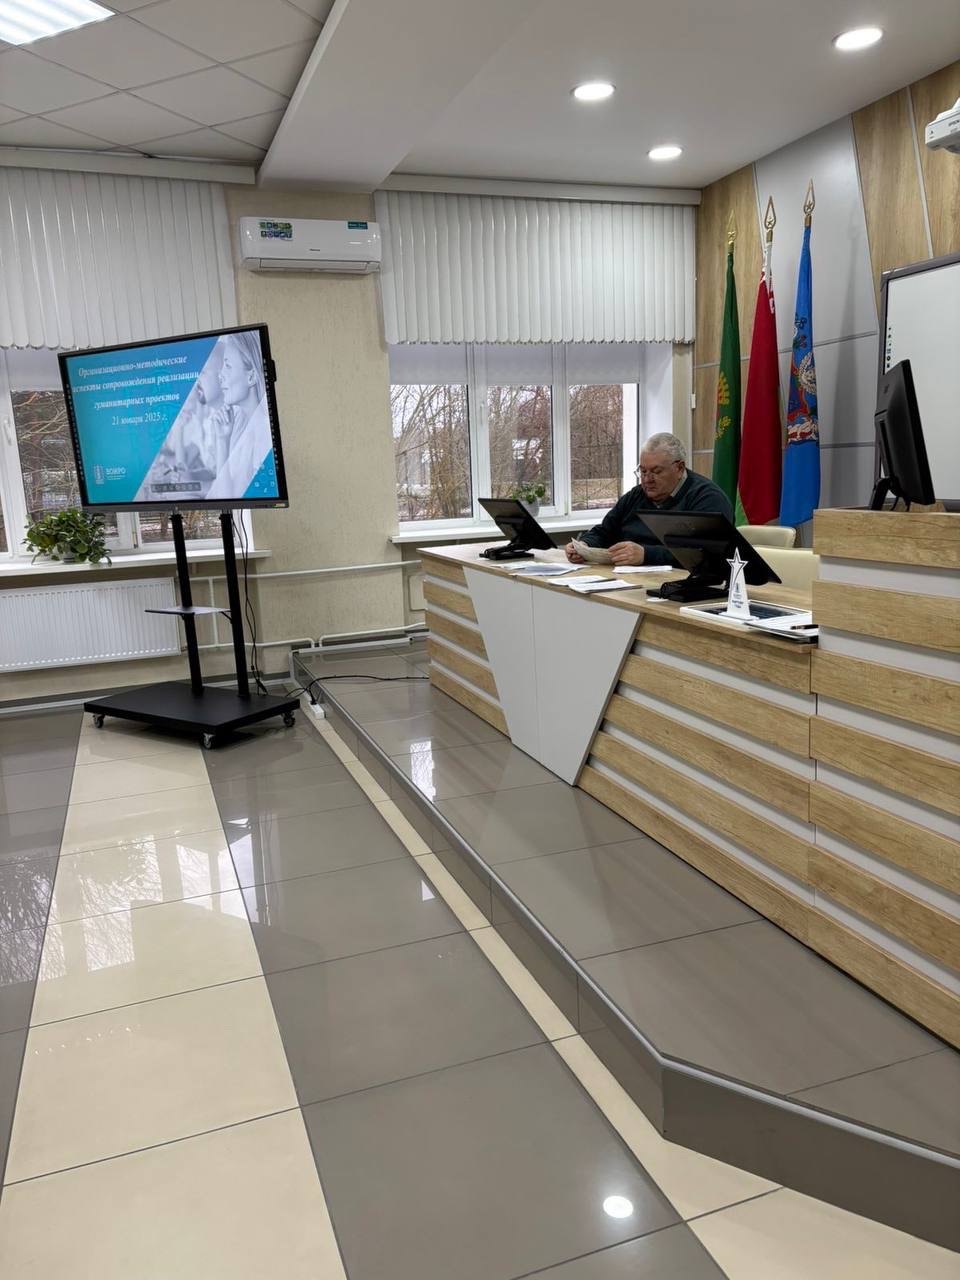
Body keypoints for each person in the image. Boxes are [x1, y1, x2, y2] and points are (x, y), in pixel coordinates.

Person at [565, 432, 733, 566]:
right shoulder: (636, 495)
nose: (647, 479)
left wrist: (646, 554)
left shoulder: (707, 498)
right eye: (643, 471)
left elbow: (705, 552)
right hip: (631, 581)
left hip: (686, 585)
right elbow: (604, 531)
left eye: (656, 471)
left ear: (679, 468)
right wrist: (584, 545)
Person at [206, 332, 271, 501]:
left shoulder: (264, 434)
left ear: (251, 377)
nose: (220, 375)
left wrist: (222, 442)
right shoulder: (242, 427)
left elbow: (228, 499)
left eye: (228, 366)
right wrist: (222, 439)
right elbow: (226, 499)